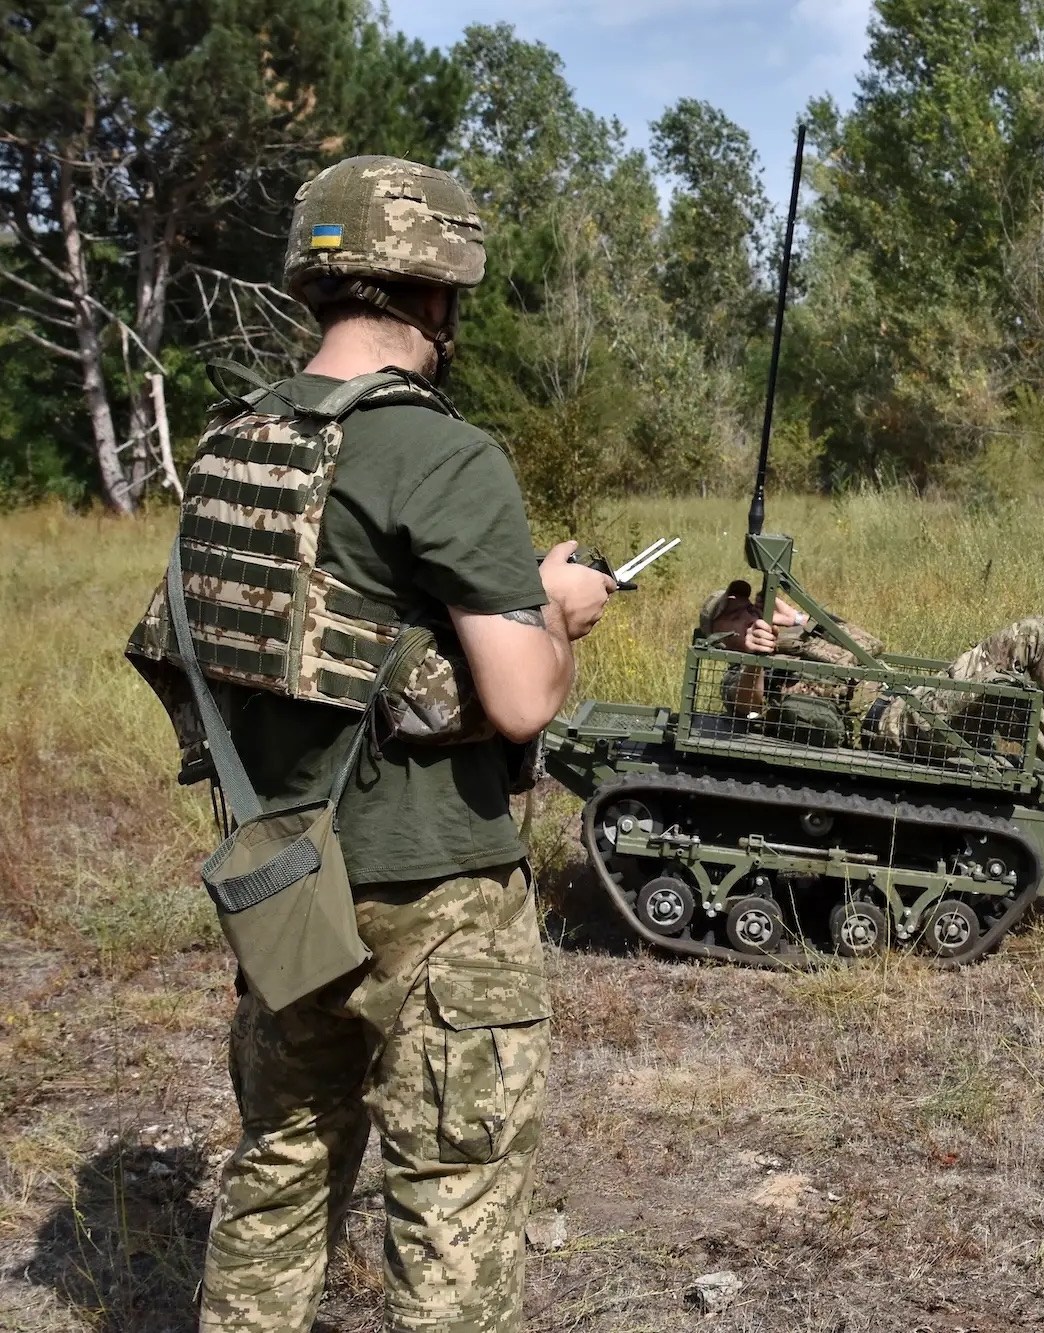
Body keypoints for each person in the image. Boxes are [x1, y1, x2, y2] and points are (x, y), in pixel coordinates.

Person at [131, 157, 615, 1332]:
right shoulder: (445, 457)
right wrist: (557, 606)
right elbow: (519, 703)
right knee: (452, 1200)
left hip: (288, 879)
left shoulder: (231, 447)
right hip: (436, 894)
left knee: (280, 1167)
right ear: (438, 291)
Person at [696, 580, 1044, 792]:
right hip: (889, 724)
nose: (752, 615)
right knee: (1002, 686)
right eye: (735, 615)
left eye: (751, 606)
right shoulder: (740, 668)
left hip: (911, 698)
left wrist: (799, 621)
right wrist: (756, 657)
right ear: (720, 635)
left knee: (1034, 632)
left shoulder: (801, 638)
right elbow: (745, 704)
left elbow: (868, 646)